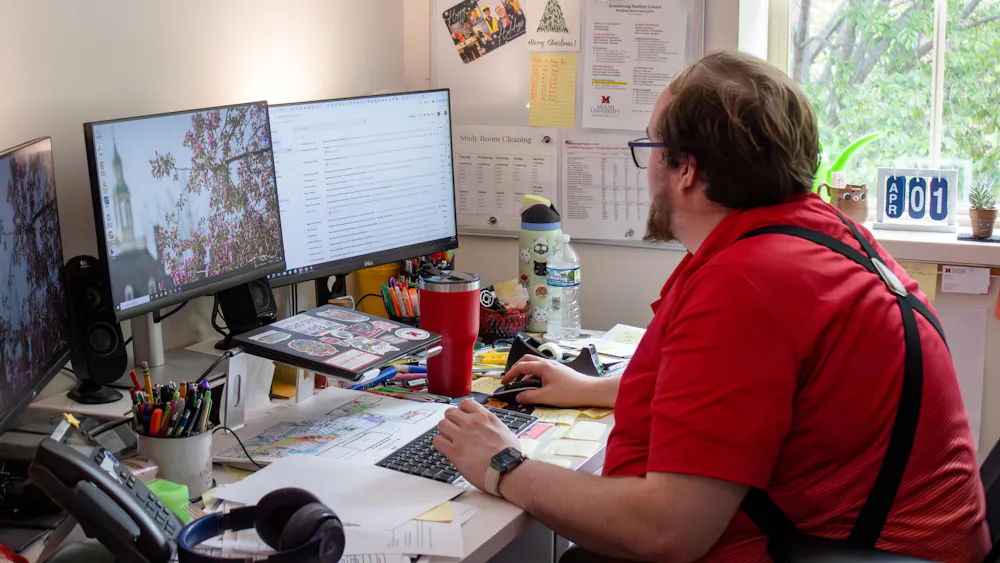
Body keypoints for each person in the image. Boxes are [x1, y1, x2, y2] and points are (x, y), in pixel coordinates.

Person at [433, 50, 990, 562]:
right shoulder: (815, 237)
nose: (647, 169)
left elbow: (666, 530)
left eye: (650, 148)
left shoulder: (749, 285)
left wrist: (504, 465)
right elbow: (748, 394)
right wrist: (593, 388)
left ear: (686, 169)